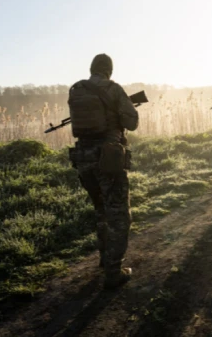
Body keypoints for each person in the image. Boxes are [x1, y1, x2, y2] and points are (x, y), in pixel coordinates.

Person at [68, 54, 139, 289]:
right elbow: (131, 122)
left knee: (101, 210)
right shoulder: (113, 88)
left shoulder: (76, 89)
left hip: (83, 159)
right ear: (109, 70)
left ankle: (104, 259)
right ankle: (113, 271)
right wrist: (122, 111)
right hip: (108, 160)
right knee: (119, 216)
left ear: (91, 69)